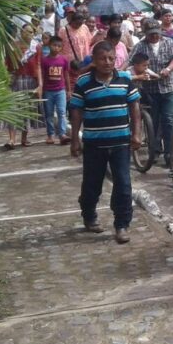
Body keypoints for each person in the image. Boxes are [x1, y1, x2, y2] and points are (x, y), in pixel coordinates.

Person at [69, 42, 142, 244]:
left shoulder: (125, 79)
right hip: (94, 144)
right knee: (91, 184)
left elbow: (134, 107)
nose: (107, 62)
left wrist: (137, 134)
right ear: (94, 60)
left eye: (111, 58)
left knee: (123, 185)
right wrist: (74, 140)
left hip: (121, 143)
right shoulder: (84, 82)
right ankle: (89, 215)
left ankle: (122, 225)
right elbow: (76, 111)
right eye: (102, 58)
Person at [129, 19, 173, 167]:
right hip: (150, 89)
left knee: (169, 121)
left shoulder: (168, 42)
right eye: (151, 34)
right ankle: (155, 150)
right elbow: (130, 61)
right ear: (145, 34)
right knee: (154, 122)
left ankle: (170, 153)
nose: (155, 37)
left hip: (168, 87)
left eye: (157, 33)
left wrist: (168, 69)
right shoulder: (140, 46)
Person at [4, 23, 44, 150]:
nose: (29, 34)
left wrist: (40, 84)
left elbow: (38, 66)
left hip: (30, 81)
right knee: (13, 109)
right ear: (21, 32)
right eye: (27, 31)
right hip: (15, 81)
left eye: (32, 32)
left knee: (28, 110)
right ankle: (11, 139)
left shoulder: (36, 47)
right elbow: (7, 64)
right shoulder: (13, 46)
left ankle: (24, 138)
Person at [41, 36, 72, 145]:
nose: (56, 48)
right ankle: (50, 135)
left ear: (62, 47)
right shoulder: (44, 60)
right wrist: (41, 89)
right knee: (49, 113)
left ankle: (62, 134)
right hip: (48, 90)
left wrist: (68, 90)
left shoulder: (64, 60)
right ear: (49, 45)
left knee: (62, 112)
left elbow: (66, 75)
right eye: (54, 45)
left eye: (59, 46)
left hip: (60, 90)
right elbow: (42, 75)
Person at [58, 12, 93, 89]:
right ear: (72, 21)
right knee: (71, 83)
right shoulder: (64, 30)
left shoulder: (84, 27)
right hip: (69, 62)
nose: (78, 25)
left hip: (83, 60)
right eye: (77, 23)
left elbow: (89, 41)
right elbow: (59, 45)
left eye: (80, 23)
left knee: (82, 82)